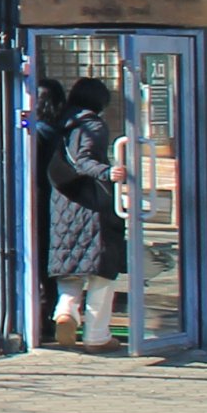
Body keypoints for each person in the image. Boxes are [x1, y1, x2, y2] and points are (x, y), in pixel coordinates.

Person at [48, 78, 120, 345]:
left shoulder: (62, 123)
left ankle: (66, 312)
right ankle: (97, 336)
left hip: (64, 206)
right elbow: (85, 161)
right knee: (102, 273)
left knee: (70, 268)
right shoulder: (93, 125)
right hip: (92, 207)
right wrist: (109, 172)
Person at [27, 79, 67, 337]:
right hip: (54, 203)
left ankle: (41, 322)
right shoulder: (60, 131)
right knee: (47, 263)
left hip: (36, 201)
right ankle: (51, 317)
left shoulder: (36, 133)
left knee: (37, 260)